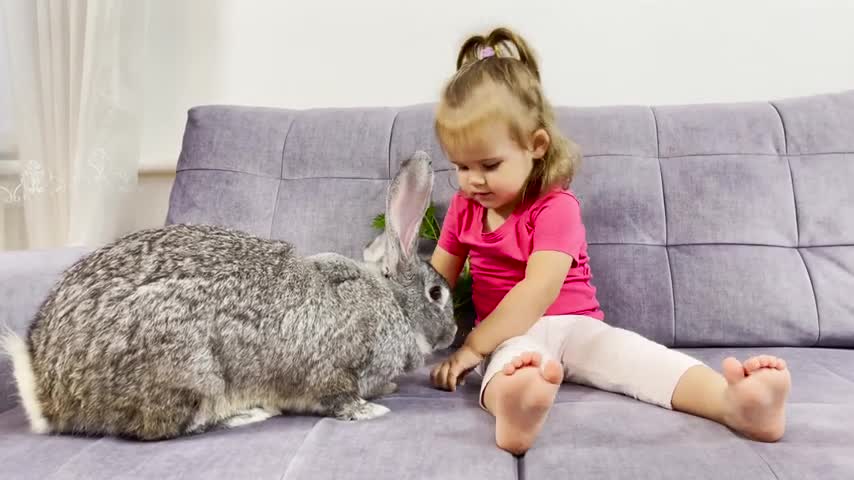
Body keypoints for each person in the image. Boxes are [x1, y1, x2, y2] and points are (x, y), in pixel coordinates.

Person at [428, 27, 791, 455]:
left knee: (636, 357)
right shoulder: (463, 208)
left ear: (536, 145)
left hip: (577, 325)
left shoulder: (555, 207)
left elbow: (537, 292)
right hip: (510, 338)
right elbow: (433, 284)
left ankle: (738, 405)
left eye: (489, 164)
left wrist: (473, 346)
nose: (473, 180)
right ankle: (517, 406)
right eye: (460, 166)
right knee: (509, 366)